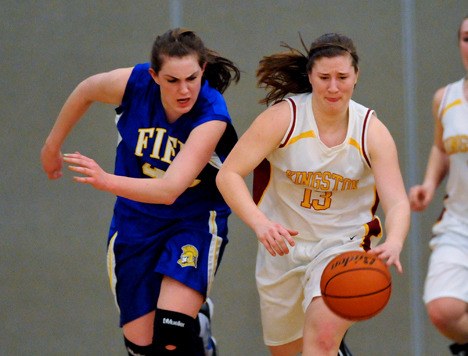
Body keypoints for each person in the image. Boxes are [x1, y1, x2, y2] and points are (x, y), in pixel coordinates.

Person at [40, 28, 240, 355]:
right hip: (135, 222)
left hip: (191, 222)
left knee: (171, 335)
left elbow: (169, 189)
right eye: (172, 80)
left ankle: (196, 330)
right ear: (154, 76)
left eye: (191, 78)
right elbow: (86, 90)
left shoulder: (212, 115)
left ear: (203, 70)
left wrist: (104, 179)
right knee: (142, 348)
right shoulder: (133, 85)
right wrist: (52, 145)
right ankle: (198, 326)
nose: (184, 89)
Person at [216, 32, 410, 355]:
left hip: (343, 246)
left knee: (320, 340)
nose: (333, 87)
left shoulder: (371, 131)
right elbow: (228, 175)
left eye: (342, 77)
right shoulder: (285, 118)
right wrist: (260, 224)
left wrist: (396, 240)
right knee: (290, 351)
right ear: (310, 76)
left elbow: (397, 201)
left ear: (356, 76)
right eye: (324, 77)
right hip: (283, 248)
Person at [408, 15, 468, 356]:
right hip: (459, 223)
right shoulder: (445, 99)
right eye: (466, 38)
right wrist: (429, 185)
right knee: (442, 309)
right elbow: (441, 147)